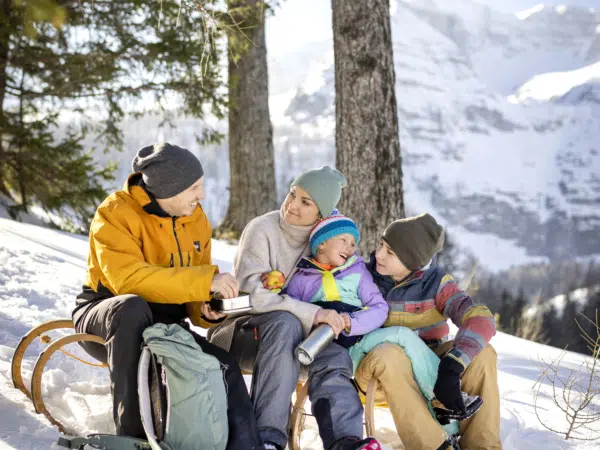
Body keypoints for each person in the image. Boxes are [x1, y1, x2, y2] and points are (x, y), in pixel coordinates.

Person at [71, 142, 264, 450]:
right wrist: (204, 281)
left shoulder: (196, 219)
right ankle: (133, 439)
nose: (201, 195)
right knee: (132, 308)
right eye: (194, 188)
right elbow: (128, 281)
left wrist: (206, 308)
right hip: (108, 315)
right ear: (169, 190)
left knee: (223, 366)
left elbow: (193, 292)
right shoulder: (115, 213)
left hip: (165, 323)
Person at [208, 166, 381, 450]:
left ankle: (345, 441)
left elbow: (354, 275)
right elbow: (253, 296)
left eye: (305, 202)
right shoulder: (262, 229)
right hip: (244, 333)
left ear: (322, 214)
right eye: (292, 194)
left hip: (301, 343)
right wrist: (314, 314)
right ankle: (268, 440)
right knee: (285, 322)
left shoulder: (326, 242)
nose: (292, 205)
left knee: (333, 354)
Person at [353, 213, 501, 450]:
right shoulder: (362, 276)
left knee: (483, 354)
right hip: (379, 375)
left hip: (434, 371)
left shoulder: (437, 284)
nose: (378, 254)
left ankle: (481, 446)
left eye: (390, 252)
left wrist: (452, 366)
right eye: (381, 244)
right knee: (391, 354)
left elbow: (481, 319)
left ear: (414, 262)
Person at [272, 211, 389, 350]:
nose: (350, 248)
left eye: (353, 244)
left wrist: (352, 321)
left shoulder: (358, 272)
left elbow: (380, 308)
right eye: (343, 240)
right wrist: (275, 289)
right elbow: (291, 309)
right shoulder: (302, 277)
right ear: (322, 243)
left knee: (401, 336)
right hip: (319, 343)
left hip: (359, 340)